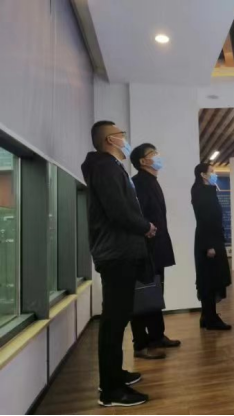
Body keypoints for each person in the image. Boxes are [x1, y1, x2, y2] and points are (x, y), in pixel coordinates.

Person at [82, 121, 155, 408]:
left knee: (119, 317)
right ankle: (111, 390)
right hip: (116, 253)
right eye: (121, 134)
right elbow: (118, 211)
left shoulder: (109, 167)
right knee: (114, 320)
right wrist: (145, 226)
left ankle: (114, 375)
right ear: (111, 140)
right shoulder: (104, 167)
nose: (125, 138)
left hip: (119, 251)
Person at [129, 144, 181, 360]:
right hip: (145, 249)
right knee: (143, 294)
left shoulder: (151, 181)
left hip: (157, 247)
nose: (158, 157)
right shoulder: (139, 182)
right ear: (143, 161)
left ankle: (157, 336)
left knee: (155, 293)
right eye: (153, 154)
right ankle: (140, 343)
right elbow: (136, 216)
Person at [191, 163, 232, 331]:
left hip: (213, 239)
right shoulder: (200, 191)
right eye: (212, 171)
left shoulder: (207, 190)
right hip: (208, 241)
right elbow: (204, 219)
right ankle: (211, 318)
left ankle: (207, 315)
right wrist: (209, 245)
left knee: (211, 278)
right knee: (210, 280)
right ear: (203, 175)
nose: (215, 174)